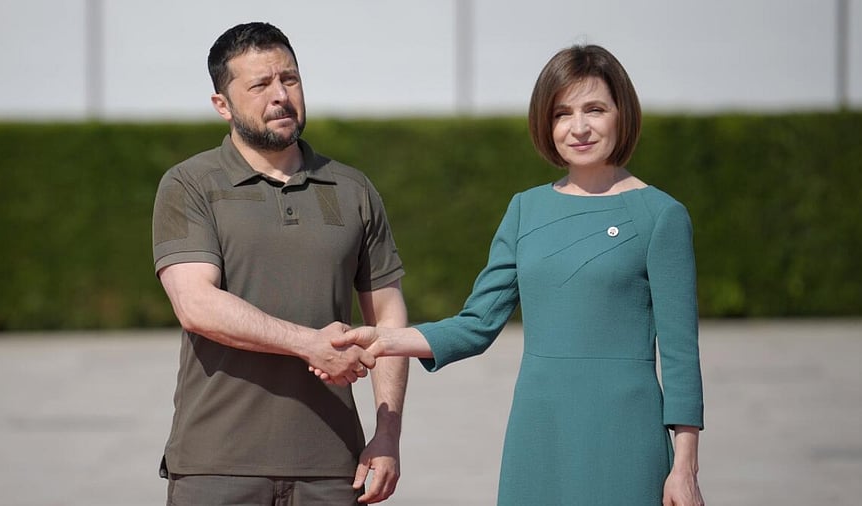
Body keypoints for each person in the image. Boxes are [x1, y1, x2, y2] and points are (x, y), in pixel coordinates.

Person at [322, 45, 705, 505]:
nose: (578, 127)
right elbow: (477, 324)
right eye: (562, 113)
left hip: (625, 431)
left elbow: (682, 356)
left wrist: (683, 467)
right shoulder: (526, 209)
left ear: (622, 114)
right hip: (538, 429)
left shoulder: (660, 215)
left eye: (595, 109)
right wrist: (386, 341)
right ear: (546, 124)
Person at [151, 22, 408, 505]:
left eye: (289, 79)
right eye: (260, 84)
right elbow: (196, 305)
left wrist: (388, 432)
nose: (280, 95)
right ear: (222, 105)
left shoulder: (353, 189)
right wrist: (308, 344)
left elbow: (388, 320)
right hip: (216, 468)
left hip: (336, 468)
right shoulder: (189, 184)